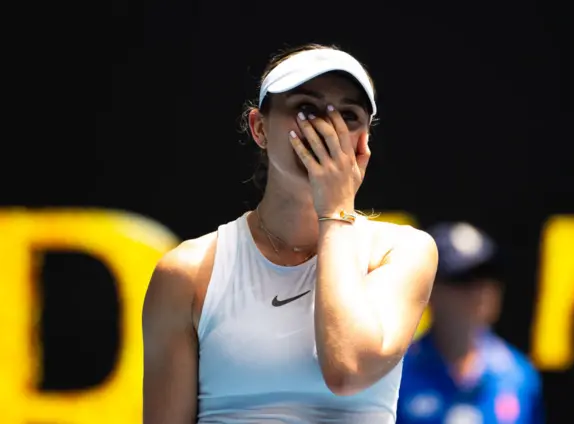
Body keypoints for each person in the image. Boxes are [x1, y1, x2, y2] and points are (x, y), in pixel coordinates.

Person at [142, 43, 439, 424]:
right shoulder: (187, 271)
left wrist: (334, 212)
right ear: (259, 128)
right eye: (305, 109)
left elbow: (347, 370)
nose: (326, 130)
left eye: (348, 115)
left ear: (363, 141)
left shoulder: (403, 252)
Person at [396, 222, 544, 424]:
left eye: (487, 278)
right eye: (463, 281)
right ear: (430, 290)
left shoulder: (518, 375)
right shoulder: (398, 374)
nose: (479, 292)